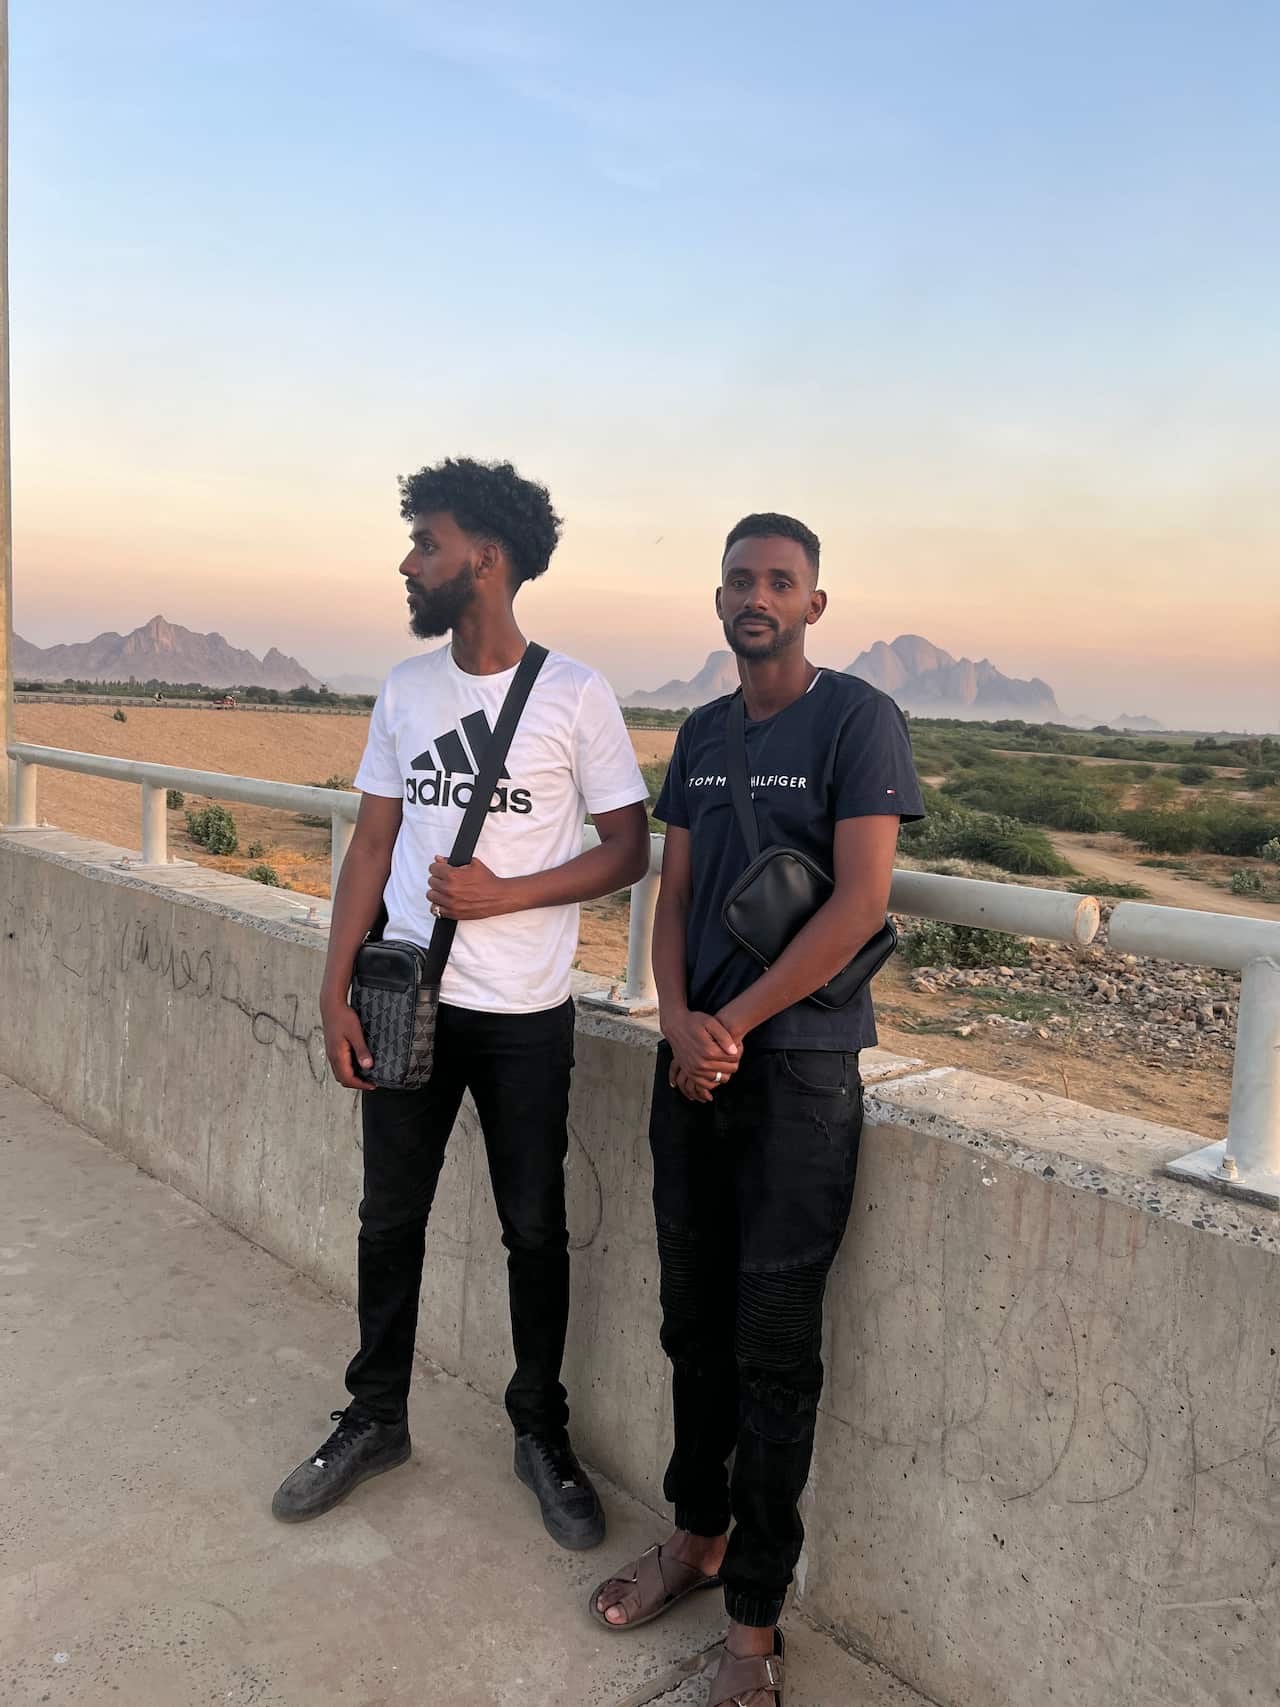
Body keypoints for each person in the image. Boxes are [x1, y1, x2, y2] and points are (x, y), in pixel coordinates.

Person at [273, 457, 651, 1551]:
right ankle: (374, 1417)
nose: (409, 560)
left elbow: (627, 848)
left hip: (526, 1014)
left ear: (484, 556)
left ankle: (538, 1433)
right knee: (387, 1218)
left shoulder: (574, 694)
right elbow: (373, 846)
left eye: (426, 543)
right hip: (405, 1001)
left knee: (533, 1230)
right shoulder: (404, 690)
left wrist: (508, 892)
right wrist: (334, 989)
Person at [593, 514, 924, 1705]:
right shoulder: (700, 732)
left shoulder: (856, 721)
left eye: (779, 581)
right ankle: (694, 1535)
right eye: (740, 578)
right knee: (691, 1324)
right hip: (690, 1069)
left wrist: (733, 1027)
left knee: (774, 1350)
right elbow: (674, 890)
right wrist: (678, 1019)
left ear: (813, 606)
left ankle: (752, 1623)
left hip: (798, 1079)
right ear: (719, 597)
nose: (757, 596)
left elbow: (857, 904)